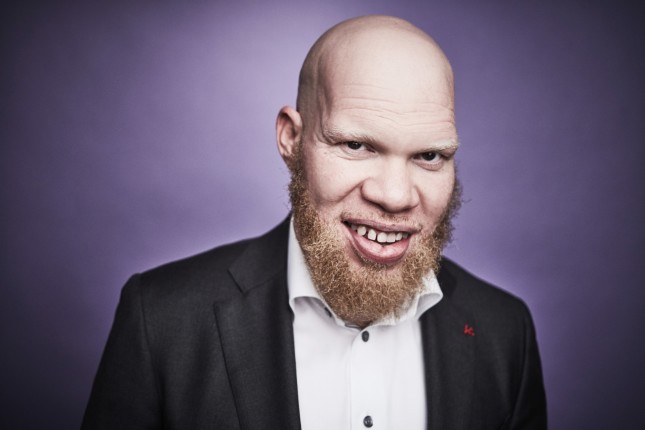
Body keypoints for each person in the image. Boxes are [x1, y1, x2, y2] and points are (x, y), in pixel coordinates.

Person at [82, 15, 547, 430]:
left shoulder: (505, 331)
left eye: (429, 155)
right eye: (356, 145)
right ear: (291, 139)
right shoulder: (161, 318)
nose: (395, 196)